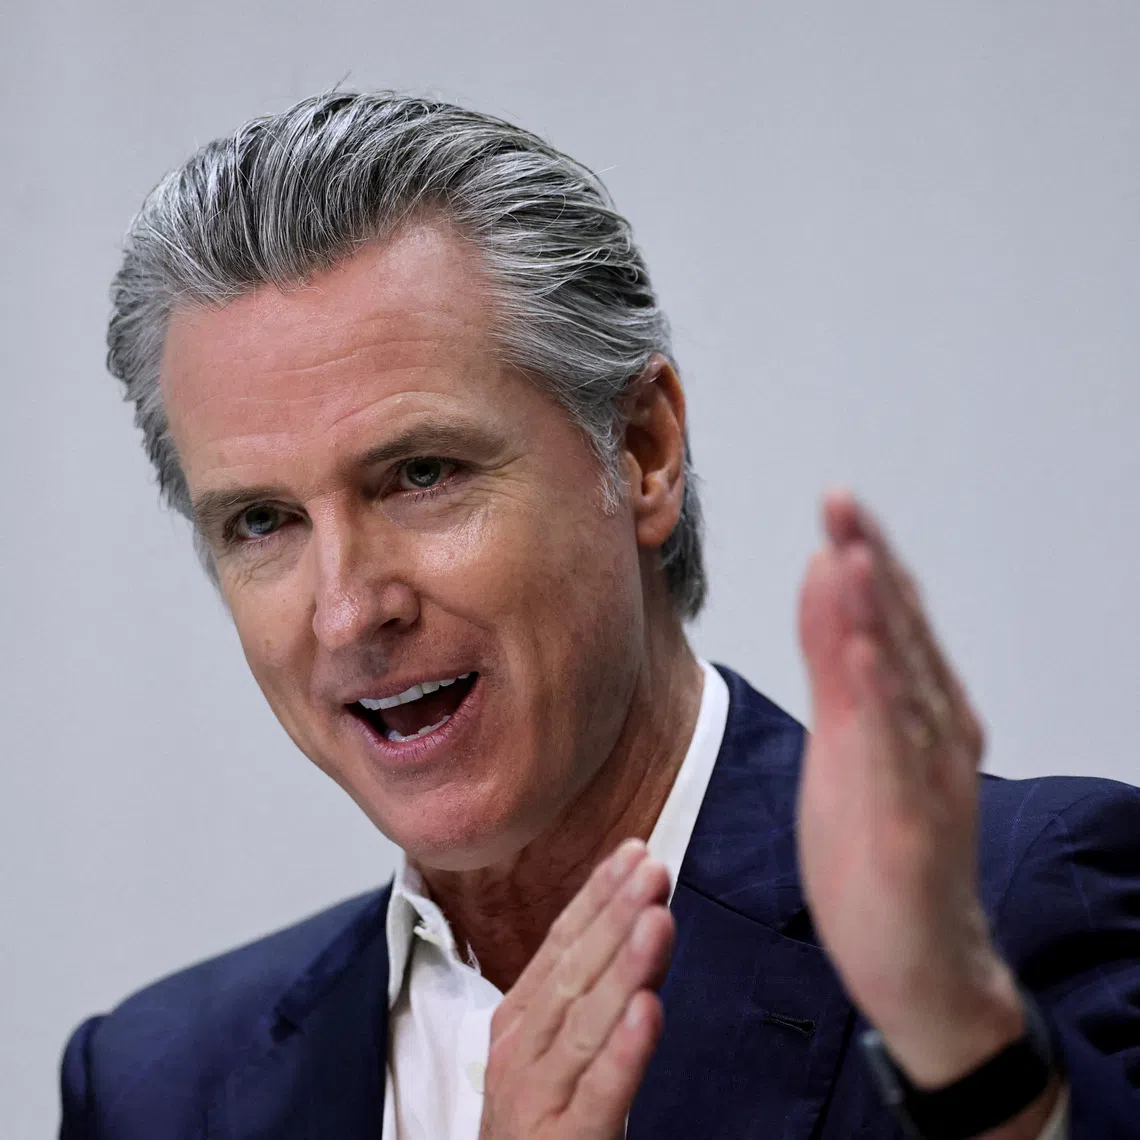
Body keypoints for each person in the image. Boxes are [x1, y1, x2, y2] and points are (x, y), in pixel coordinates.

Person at [60, 92, 1139, 1140]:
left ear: (641, 449)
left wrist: (962, 1034)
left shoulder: (1007, 919)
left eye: (421, 473)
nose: (346, 612)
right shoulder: (158, 1084)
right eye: (262, 521)